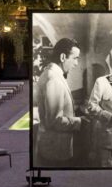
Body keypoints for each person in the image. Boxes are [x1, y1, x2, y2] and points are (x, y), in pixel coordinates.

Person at [34, 37, 84, 165]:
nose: (76, 63)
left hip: (53, 148)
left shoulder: (52, 74)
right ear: (63, 57)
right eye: (75, 58)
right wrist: (80, 121)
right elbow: (55, 121)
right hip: (55, 150)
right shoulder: (54, 79)